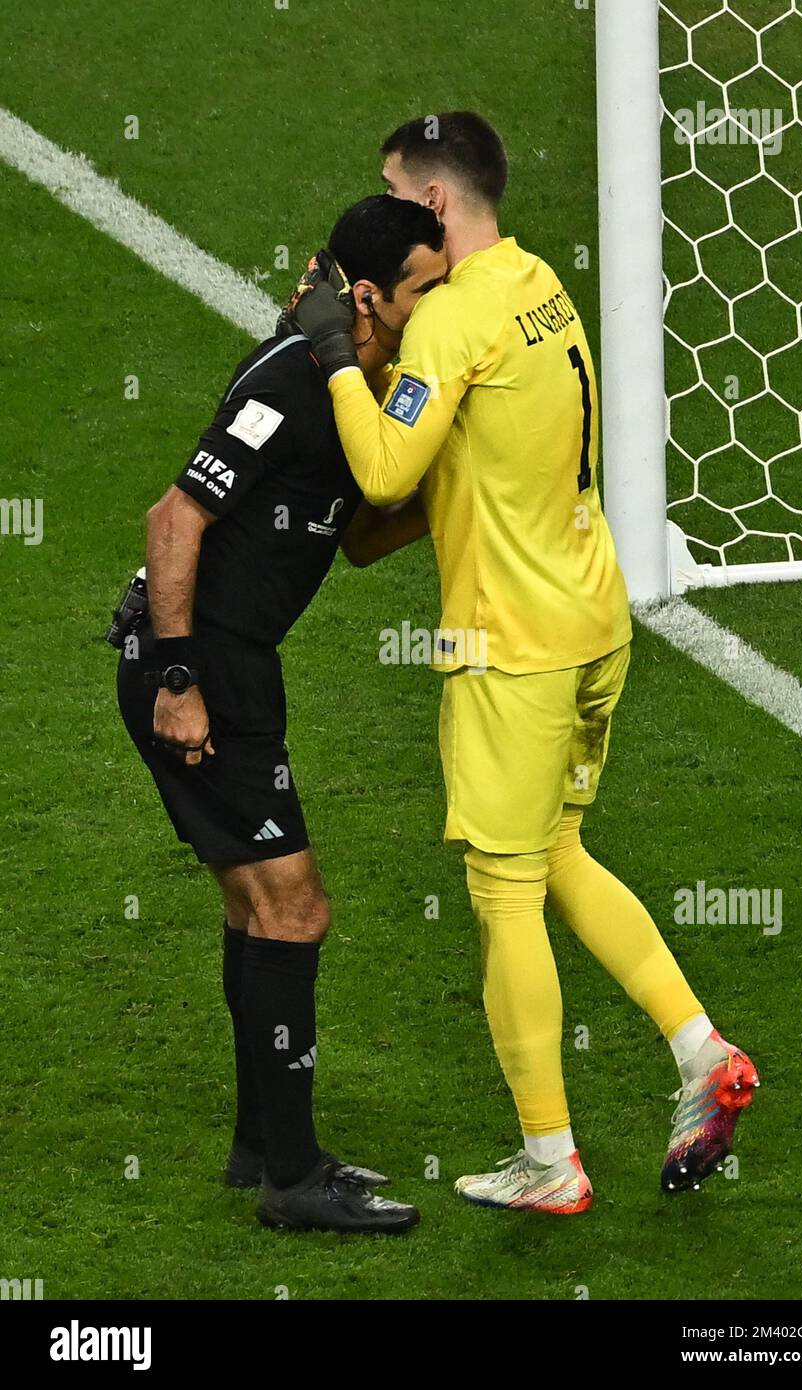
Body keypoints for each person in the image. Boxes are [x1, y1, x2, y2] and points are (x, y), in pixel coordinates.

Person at [291, 112, 759, 1214]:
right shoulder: (540, 282)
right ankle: (699, 1051)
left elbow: (385, 466)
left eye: (400, 197)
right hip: (595, 622)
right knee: (558, 849)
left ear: (437, 208)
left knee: (502, 893)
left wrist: (331, 355)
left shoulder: (452, 318)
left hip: (514, 650)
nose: (393, 218)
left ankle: (548, 1158)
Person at [115, 194, 447, 1234]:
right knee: (292, 908)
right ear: (368, 298)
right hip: (196, 667)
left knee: (253, 907)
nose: (441, 309)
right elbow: (173, 518)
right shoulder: (290, 383)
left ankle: (263, 1145)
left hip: (238, 665)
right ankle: (292, 1179)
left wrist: (458, 496)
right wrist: (178, 680)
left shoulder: (360, 391)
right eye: (426, 293)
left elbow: (352, 538)